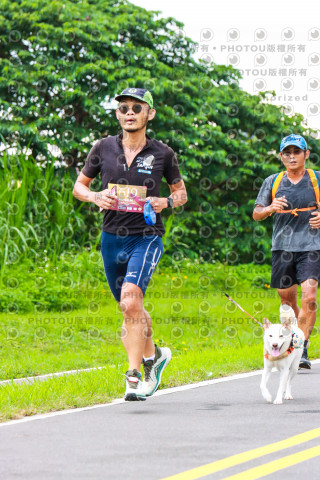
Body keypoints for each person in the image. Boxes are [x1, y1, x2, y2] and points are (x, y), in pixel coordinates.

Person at [72, 88, 187, 400]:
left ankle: (135, 374)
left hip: (146, 237)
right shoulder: (102, 148)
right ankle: (157, 355)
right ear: (118, 114)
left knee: (131, 299)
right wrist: (95, 196)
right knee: (129, 306)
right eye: (123, 108)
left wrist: (165, 201)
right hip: (111, 239)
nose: (129, 113)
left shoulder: (163, 153)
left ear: (149, 114)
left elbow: (181, 194)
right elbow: (80, 187)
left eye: (137, 107)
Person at [253, 134, 320, 369]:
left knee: (309, 297)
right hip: (282, 247)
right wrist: (270, 207)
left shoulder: (316, 179)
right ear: (281, 156)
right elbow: (256, 213)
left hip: (312, 246)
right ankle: (296, 336)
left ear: (306, 154)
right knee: (287, 299)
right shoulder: (273, 180)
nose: (292, 156)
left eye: (297, 152)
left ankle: (300, 347)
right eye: (287, 153)